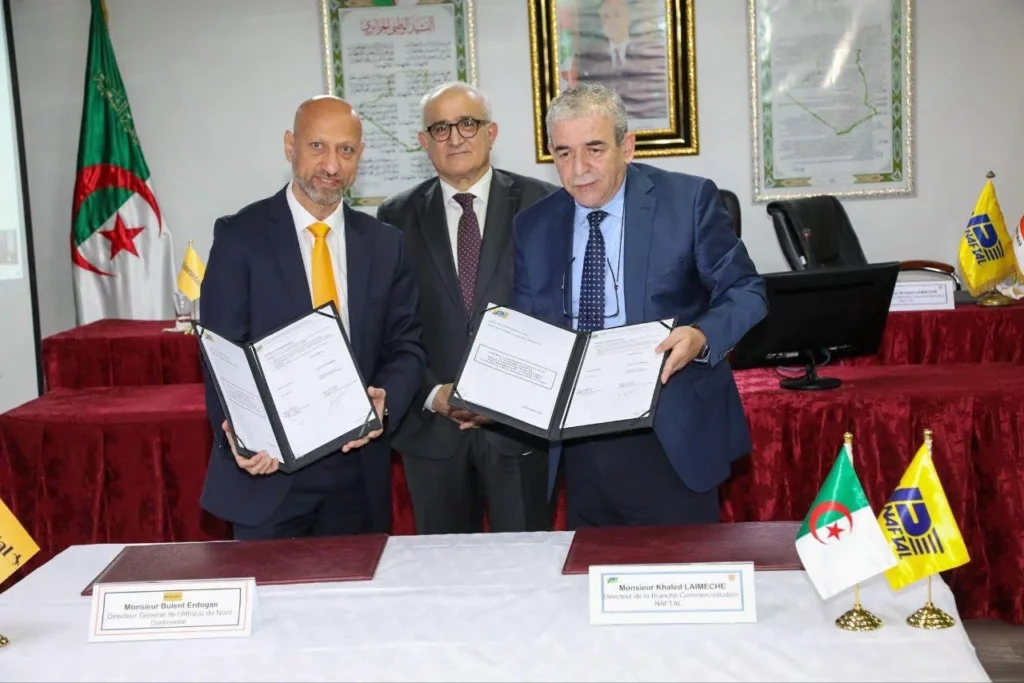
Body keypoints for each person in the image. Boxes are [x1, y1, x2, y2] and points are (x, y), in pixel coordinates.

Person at [511, 83, 766, 528]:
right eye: (564, 153)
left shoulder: (687, 201)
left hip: (671, 433)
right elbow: (527, 327)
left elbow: (746, 290)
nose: (579, 169)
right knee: (595, 570)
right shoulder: (533, 225)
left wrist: (701, 336)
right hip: (580, 445)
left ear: (626, 147)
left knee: (684, 569)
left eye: (594, 149)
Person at [198, 96, 425, 540]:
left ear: (360, 155)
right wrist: (244, 435)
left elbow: (406, 344)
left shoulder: (385, 244)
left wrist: (387, 400)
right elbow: (220, 353)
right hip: (269, 474)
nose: (331, 165)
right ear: (290, 146)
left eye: (346, 150)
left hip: (358, 476)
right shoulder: (239, 237)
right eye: (317, 146)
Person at [377, 82, 558, 534]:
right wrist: (433, 394)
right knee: (443, 568)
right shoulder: (393, 217)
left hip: (518, 429)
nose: (454, 137)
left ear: (491, 132)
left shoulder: (543, 203)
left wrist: (508, 391)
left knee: (527, 565)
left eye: (468, 124)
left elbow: (557, 314)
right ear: (424, 142)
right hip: (432, 431)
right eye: (440, 128)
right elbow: (390, 324)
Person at [575, 0, 669, 123]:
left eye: (617, 15)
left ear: (628, 18)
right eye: (606, 16)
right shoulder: (590, 59)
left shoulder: (648, 54)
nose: (611, 22)